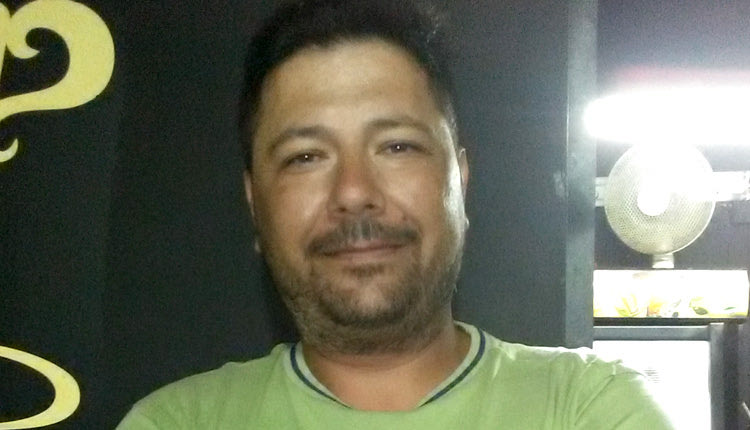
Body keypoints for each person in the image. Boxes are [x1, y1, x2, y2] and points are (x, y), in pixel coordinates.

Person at [117, 0, 674, 428]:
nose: (354, 191)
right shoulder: (178, 422)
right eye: (305, 156)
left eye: (397, 146)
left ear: (460, 181)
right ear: (253, 203)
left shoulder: (590, 408)